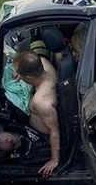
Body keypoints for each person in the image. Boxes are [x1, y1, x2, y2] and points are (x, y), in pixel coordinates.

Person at [11, 50, 60, 178]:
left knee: (3, 140)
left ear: (29, 78)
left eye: (21, 74)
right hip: (40, 116)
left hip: (42, 136)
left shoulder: (42, 100)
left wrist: (54, 160)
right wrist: (20, 72)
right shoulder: (43, 63)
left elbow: (54, 130)